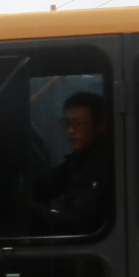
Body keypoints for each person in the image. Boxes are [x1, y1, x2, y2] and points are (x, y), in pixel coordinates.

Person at [27, 89, 113, 235]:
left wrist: (30, 210)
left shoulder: (102, 166)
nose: (71, 131)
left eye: (79, 123)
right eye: (67, 124)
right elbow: (44, 184)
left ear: (101, 126)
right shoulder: (79, 161)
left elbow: (78, 221)